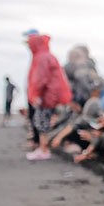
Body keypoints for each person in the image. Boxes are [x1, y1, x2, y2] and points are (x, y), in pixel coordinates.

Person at [25, 32, 72, 161]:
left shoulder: (42, 57)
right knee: (43, 121)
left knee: (41, 121)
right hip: (52, 95)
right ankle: (42, 148)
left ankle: (43, 149)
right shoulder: (48, 56)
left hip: (47, 96)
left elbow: (40, 79)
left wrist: (36, 94)